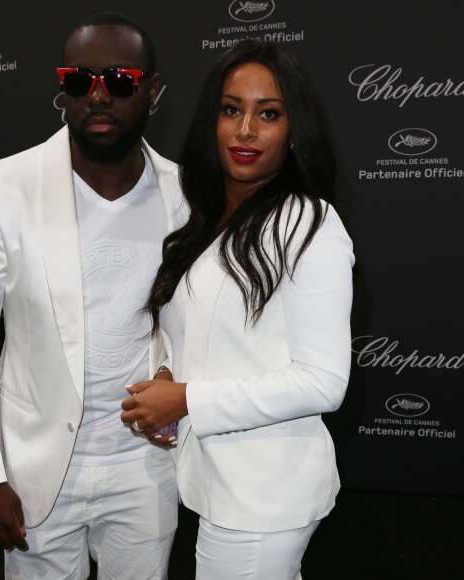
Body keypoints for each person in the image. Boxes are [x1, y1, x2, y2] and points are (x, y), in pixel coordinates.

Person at [0, 13, 184, 580]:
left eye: (119, 80)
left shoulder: (185, 191)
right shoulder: (0, 187)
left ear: (152, 90)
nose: (98, 95)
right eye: (79, 80)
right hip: (36, 466)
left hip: (147, 465)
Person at [121, 40, 354, 579]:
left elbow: (324, 382)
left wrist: (186, 399)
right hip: (219, 481)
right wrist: (166, 373)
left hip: (266, 494)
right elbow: (198, 330)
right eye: (232, 109)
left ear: (295, 129)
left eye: (268, 114)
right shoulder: (204, 217)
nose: (245, 129)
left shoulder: (309, 225)